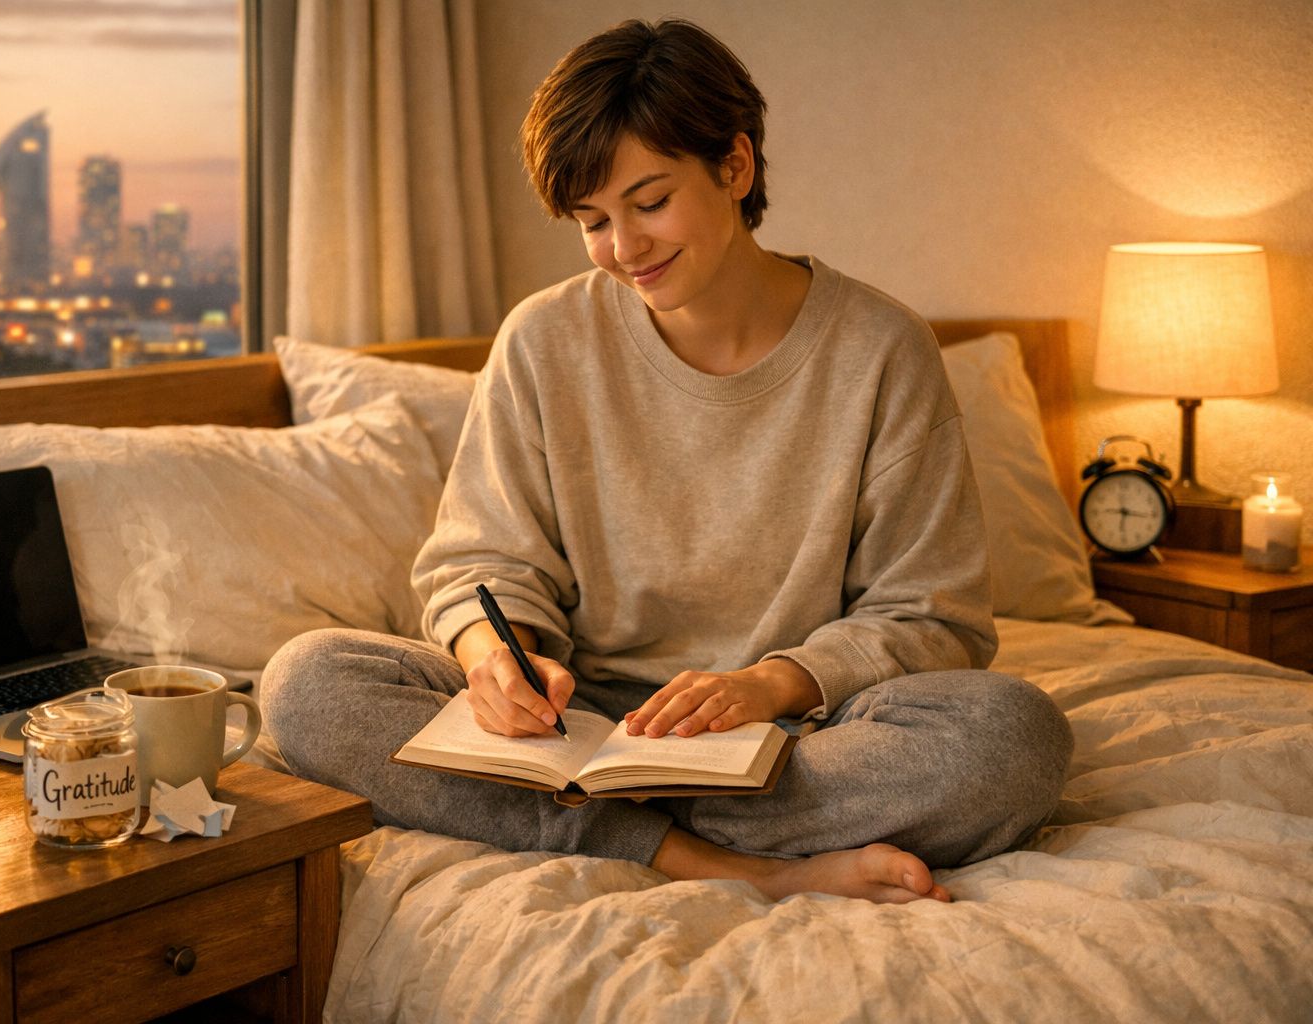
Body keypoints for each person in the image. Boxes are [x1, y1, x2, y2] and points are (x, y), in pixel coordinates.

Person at [261, 17, 1072, 904]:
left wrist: (769, 684)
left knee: (1011, 738)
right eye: (593, 221)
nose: (624, 249)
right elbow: (482, 563)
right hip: (583, 728)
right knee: (308, 683)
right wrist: (499, 656)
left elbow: (935, 616)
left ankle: (609, 826)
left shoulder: (882, 350)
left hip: (795, 732)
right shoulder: (541, 341)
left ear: (735, 166)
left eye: (649, 203)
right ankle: (725, 863)